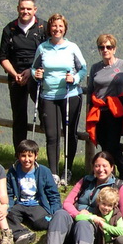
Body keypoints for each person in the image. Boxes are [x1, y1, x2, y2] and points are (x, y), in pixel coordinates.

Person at [40, 151, 123, 244]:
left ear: (112, 167)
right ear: (93, 167)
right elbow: (68, 202)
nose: (101, 169)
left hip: (93, 229)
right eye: (97, 166)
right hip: (76, 219)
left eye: (105, 166)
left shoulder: (119, 187)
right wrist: (78, 214)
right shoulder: (85, 181)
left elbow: (121, 216)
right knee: (59, 215)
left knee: (83, 224)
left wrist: (93, 219)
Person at [32, 14, 87, 184]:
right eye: (54, 26)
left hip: (69, 95)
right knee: (52, 135)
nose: (57, 29)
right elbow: (34, 69)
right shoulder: (43, 48)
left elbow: (83, 69)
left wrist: (75, 79)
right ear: (50, 28)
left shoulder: (72, 47)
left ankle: (67, 170)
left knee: (70, 134)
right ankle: (53, 172)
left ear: (65, 28)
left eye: (60, 26)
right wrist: (36, 75)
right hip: (48, 96)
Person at [0, 0, 47, 150]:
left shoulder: (44, 28)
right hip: (16, 77)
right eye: (22, 8)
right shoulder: (9, 29)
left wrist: (30, 71)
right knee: (19, 118)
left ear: (35, 10)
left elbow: (50, 54)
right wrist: (15, 74)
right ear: (18, 8)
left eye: (28, 8)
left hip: (37, 77)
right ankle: (20, 154)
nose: (25, 11)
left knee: (45, 114)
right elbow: (3, 57)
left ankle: (44, 154)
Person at [86, 34, 123, 180]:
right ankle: (111, 173)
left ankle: (120, 170)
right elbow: (90, 90)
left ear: (114, 48)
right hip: (99, 111)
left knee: (112, 144)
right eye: (102, 47)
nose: (105, 50)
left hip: (116, 111)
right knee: (103, 142)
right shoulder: (96, 67)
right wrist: (87, 113)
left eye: (109, 47)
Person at [5, 139, 62, 244]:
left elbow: (53, 194)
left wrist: (56, 211)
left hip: (37, 205)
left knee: (40, 224)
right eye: (23, 156)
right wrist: (8, 207)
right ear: (18, 156)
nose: (27, 159)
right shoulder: (13, 171)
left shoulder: (44, 171)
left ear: (36, 156)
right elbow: (9, 192)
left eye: (30, 156)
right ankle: (22, 233)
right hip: (20, 204)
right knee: (5, 216)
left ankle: (35, 222)